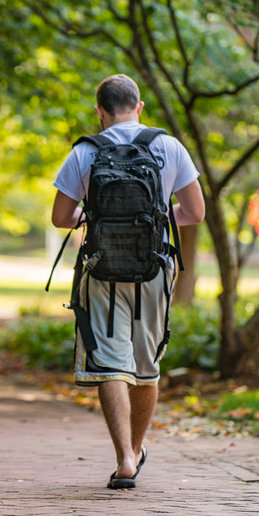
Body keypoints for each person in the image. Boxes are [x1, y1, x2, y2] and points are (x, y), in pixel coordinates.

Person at [51, 74, 205, 489]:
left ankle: (123, 459)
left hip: (100, 269)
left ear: (99, 111)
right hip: (154, 267)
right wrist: (153, 219)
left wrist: (99, 219)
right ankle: (136, 451)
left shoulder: (84, 152)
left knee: (110, 363)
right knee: (146, 365)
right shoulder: (168, 146)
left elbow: (61, 218)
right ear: (139, 107)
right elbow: (194, 213)